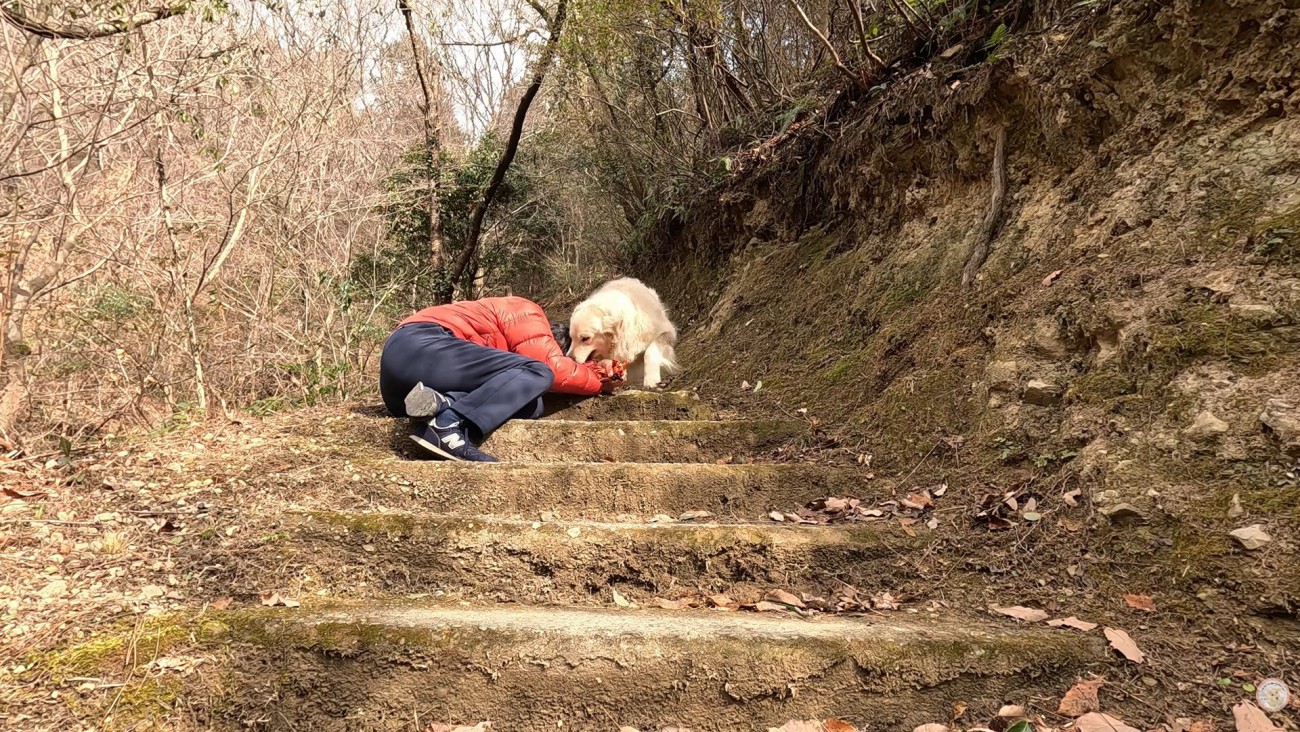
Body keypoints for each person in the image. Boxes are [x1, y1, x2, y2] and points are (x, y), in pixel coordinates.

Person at [379, 296, 622, 462]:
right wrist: (598, 378)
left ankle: (443, 403)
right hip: (421, 341)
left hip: (400, 388)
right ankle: (447, 424)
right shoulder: (524, 310)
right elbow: (552, 368)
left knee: (531, 403)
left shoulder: (502, 354)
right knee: (539, 372)